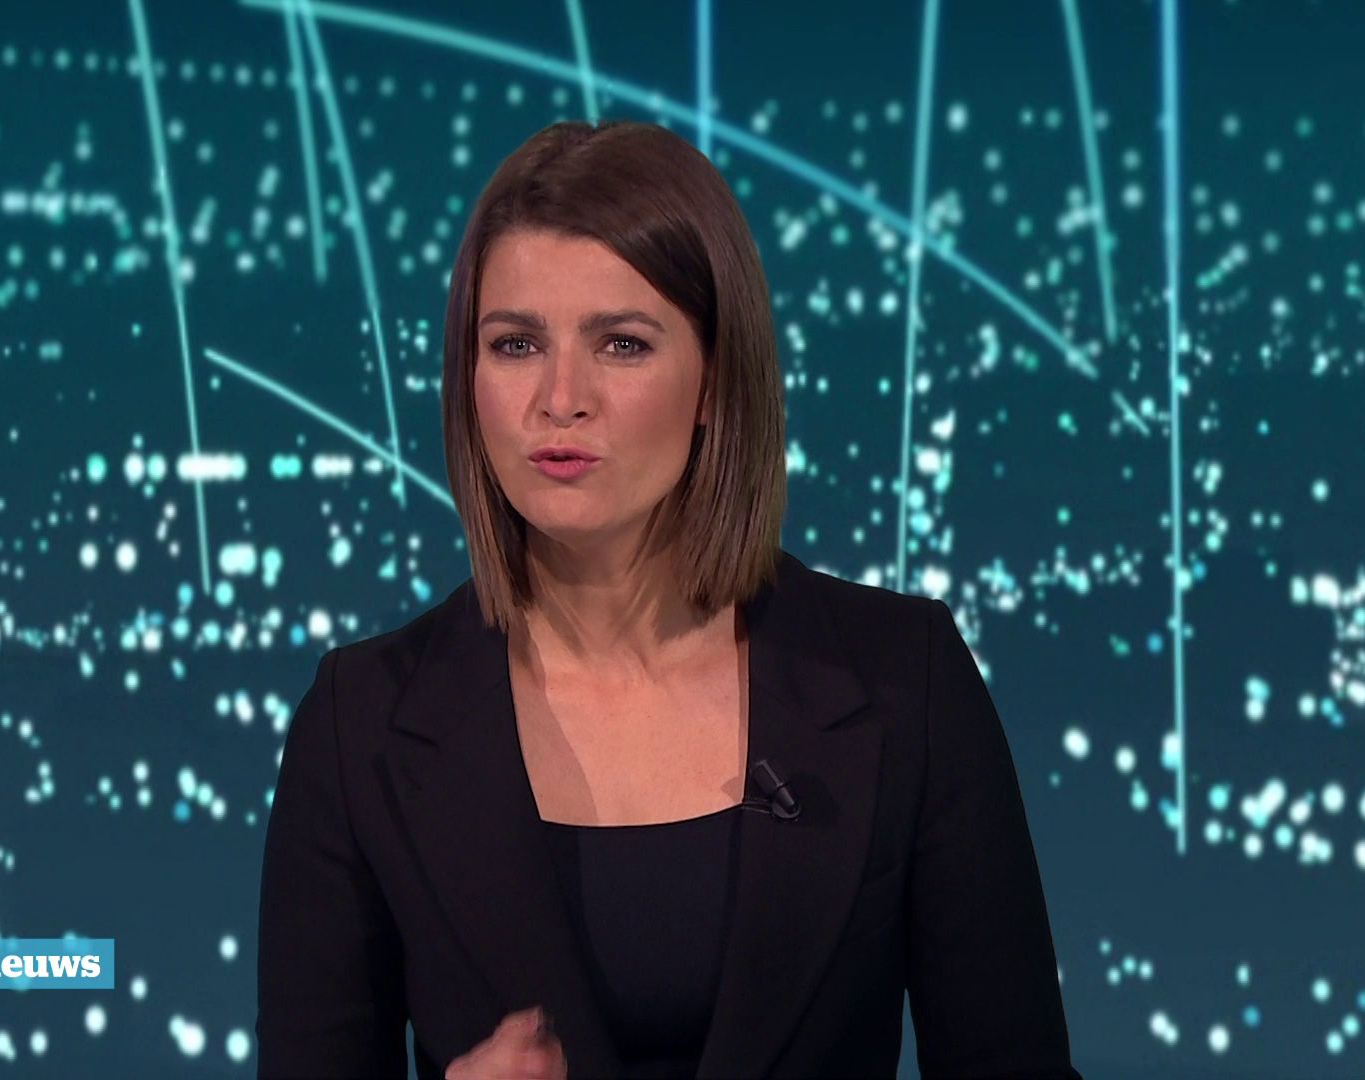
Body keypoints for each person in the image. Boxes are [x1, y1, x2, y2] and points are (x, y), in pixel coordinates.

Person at [256, 119, 1081, 1079]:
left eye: (622, 344)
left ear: (713, 381)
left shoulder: (906, 681)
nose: (560, 397)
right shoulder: (359, 725)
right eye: (516, 344)